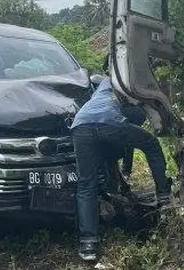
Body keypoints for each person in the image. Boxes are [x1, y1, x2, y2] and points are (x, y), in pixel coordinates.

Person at [70, 77, 170, 263]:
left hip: (80, 125)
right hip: (110, 122)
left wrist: (126, 169)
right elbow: (133, 125)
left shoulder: (100, 87)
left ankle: (88, 244)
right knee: (151, 144)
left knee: (86, 185)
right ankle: (165, 198)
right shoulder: (128, 81)